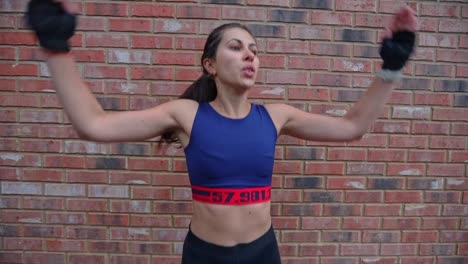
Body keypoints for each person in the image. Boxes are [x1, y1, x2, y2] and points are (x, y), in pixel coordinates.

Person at [26, 0, 418, 263]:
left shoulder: (276, 115)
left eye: (253, 48)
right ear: (210, 65)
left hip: (264, 253)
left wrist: (392, 68)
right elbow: (93, 125)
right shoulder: (186, 114)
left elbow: (352, 127)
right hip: (205, 256)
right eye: (235, 47)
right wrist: (55, 47)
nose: (249, 54)